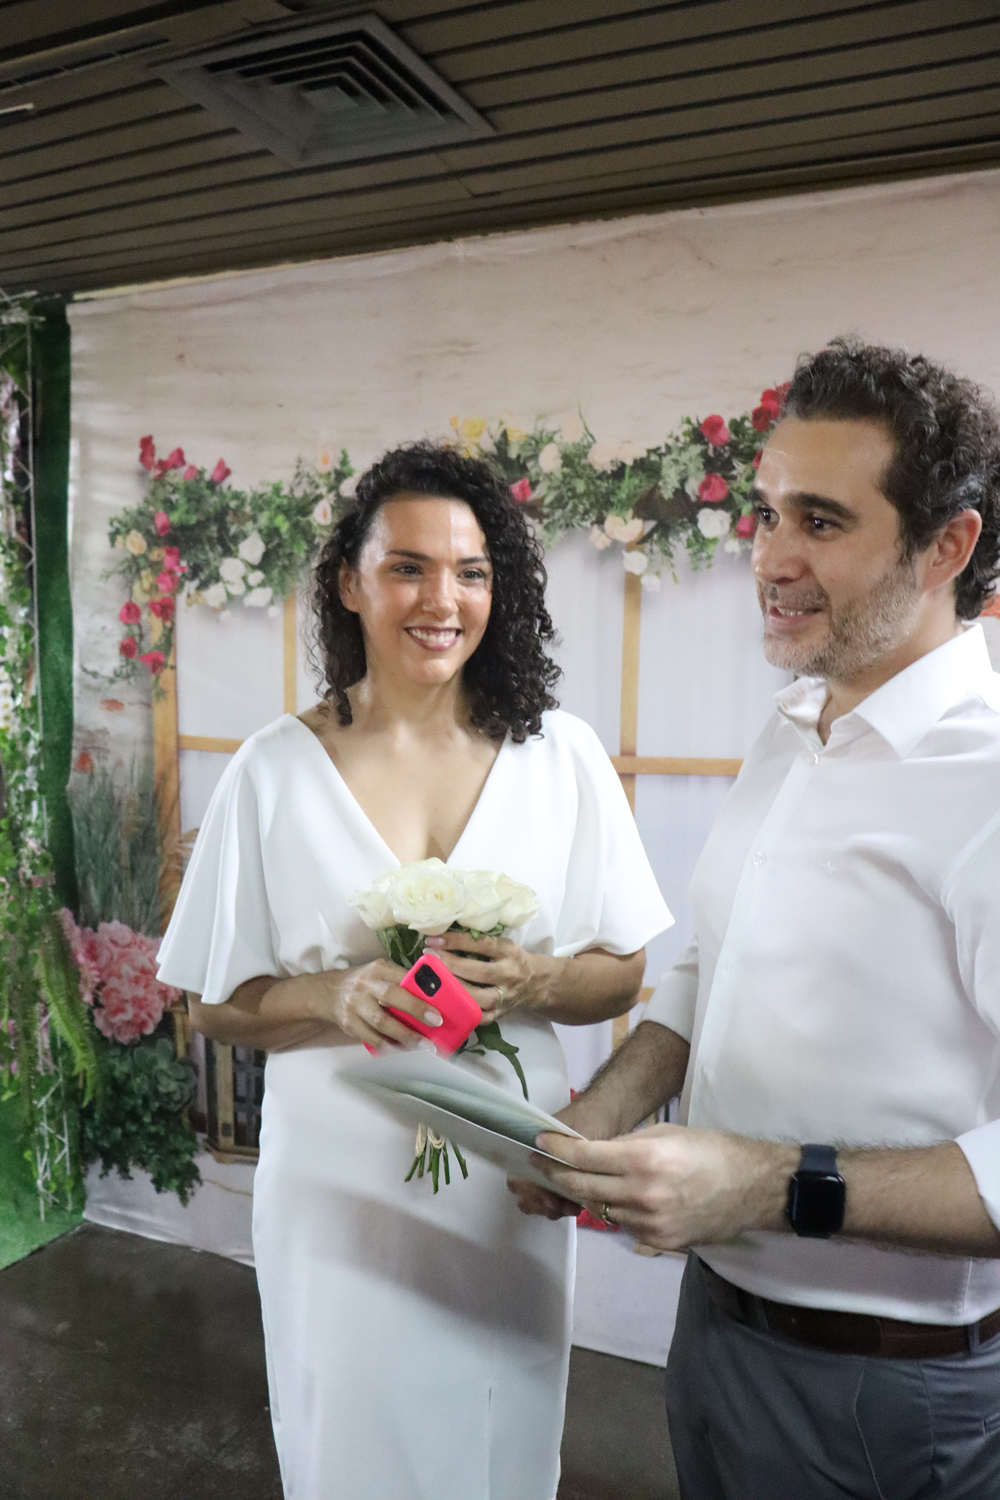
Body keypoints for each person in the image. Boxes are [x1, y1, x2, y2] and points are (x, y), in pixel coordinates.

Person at [512, 340, 1000, 1499]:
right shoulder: (794, 726)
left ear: (946, 547)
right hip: (716, 1328)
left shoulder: (985, 781)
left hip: (891, 1392)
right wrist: (599, 1114)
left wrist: (769, 1184)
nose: (771, 558)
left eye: (820, 521)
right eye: (769, 512)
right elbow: (706, 966)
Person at [156, 442, 672, 1500]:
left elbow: (623, 973)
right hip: (339, 1179)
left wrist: (532, 980)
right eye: (408, 568)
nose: (443, 600)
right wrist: (330, 995)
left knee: (499, 1437)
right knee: (349, 1437)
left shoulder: (562, 756)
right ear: (349, 583)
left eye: (471, 572)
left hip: (504, 1178)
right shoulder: (272, 769)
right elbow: (213, 1006)